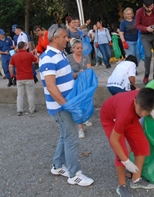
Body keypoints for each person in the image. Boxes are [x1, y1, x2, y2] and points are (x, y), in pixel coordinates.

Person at [39, 24, 94, 186]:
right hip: (61, 107)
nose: (67, 39)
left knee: (65, 136)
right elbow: (51, 86)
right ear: (55, 38)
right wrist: (67, 105)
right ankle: (74, 174)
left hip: (65, 105)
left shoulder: (60, 54)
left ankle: (57, 166)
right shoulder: (48, 57)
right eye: (64, 37)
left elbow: (66, 74)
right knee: (71, 138)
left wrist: (78, 75)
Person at [100, 88, 154, 196]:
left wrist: (149, 110)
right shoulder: (125, 114)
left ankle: (136, 180)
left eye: (147, 112)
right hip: (111, 119)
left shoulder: (144, 99)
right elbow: (114, 139)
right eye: (141, 112)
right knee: (121, 153)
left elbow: (150, 97)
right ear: (135, 101)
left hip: (131, 116)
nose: (143, 114)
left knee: (142, 145)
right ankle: (121, 186)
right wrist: (126, 161)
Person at [66, 38, 93, 139]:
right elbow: (66, 73)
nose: (80, 50)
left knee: (86, 102)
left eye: (81, 48)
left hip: (84, 83)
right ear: (73, 48)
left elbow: (89, 71)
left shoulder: (86, 57)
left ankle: (85, 118)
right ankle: (80, 128)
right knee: (78, 104)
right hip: (74, 84)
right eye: (77, 48)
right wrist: (77, 74)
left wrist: (84, 74)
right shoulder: (68, 58)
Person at [135, 0, 154, 84]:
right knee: (148, 55)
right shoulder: (139, 12)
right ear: (144, 5)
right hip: (145, 35)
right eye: (147, 7)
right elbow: (136, 25)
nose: (150, 9)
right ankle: (146, 74)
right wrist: (146, 28)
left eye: (151, 6)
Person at [9, 41, 38, 116]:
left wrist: (12, 75)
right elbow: (36, 61)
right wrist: (35, 54)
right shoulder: (29, 55)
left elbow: (10, 66)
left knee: (20, 94)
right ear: (24, 47)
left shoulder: (14, 56)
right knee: (30, 94)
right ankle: (32, 109)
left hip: (19, 77)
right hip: (29, 77)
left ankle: (19, 110)